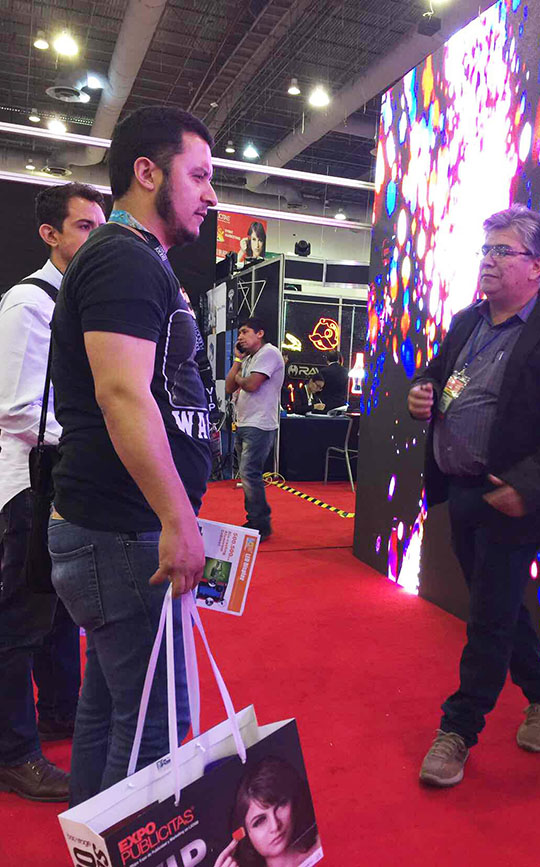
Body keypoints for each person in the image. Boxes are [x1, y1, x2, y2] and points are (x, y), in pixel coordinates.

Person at [47, 105, 217, 807]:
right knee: (157, 730)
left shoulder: (134, 258)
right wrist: (177, 519)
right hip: (124, 530)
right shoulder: (123, 257)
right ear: (147, 172)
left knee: (111, 708)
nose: (210, 195)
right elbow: (122, 393)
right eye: (198, 176)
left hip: (112, 528)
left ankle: (91, 845)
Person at [408, 204, 540, 788]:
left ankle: (458, 730)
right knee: (500, 607)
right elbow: (437, 376)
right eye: (486, 249)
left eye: (503, 251)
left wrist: (528, 485)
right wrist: (422, 392)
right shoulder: (467, 321)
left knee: (488, 620)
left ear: (537, 265)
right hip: (461, 491)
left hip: (512, 498)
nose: (488, 261)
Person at [0, 182, 105, 802]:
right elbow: (16, 408)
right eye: (84, 227)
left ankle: (60, 711)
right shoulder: (28, 302)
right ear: (50, 234)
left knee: (61, 607)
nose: (95, 238)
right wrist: (95, 432)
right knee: (20, 619)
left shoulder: (74, 301)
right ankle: (13, 752)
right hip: (26, 483)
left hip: (63, 479)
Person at [225, 318, 284, 542]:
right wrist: (238, 361)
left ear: (260, 333)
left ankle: (261, 523)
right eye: (239, 333)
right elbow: (229, 386)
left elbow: (251, 385)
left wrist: (240, 378)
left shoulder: (269, 353)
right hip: (244, 422)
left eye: (245, 332)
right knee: (248, 474)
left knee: (250, 473)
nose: (240, 336)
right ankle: (255, 519)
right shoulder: (248, 358)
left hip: (260, 423)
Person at [214, 757, 321, 867]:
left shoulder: (322, 845)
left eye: (280, 805)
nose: (275, 826)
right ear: (245, 834)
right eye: (260, 821)